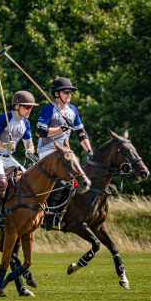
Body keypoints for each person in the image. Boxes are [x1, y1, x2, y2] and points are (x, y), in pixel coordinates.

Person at [36, 77, 93, 230]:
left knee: (75, 180)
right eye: (66, 91)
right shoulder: (49, 109)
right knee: (61, 180)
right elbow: (40, 131)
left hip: (64, 153)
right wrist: (61, 129)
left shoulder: (72, 110)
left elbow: (80, 133)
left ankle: (58, 215)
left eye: (70, 92)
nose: (69, 94)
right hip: (47, 151)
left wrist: (89, 150)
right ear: (56, 94)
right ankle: (48, 215)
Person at [0, 91, 36, 232]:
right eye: (27, 107)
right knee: (1, 182)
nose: (29, 110)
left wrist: (29, 150)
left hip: (8, 158)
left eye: (31, 107)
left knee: (29, 180)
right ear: (17, 106)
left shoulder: (26, 123)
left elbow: (29, 143)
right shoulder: (3, 119)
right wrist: (5, 145)